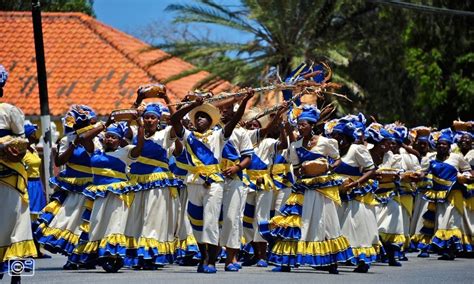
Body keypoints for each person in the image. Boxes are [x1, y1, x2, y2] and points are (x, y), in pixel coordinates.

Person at [260, 105, 352, 274]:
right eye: (299, 125)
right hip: (303, 188)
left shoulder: (326, 143)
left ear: (312, 125)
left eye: (303, 125)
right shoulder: (295, 146)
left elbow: (337, 160)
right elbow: (295, 168)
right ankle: (286, 262)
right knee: (295, 222)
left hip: (323, 188)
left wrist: (327, 168)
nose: (300, 128)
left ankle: (331, 261)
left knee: (324, 222)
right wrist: (302, 171)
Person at [169, 93, 252, 273]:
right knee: (195, 220)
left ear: (211, 122)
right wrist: (193, 105)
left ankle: (211, 260)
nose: (199, 119)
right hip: (194, 181)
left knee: (211, 221)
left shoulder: (218, 136)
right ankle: (203, 255)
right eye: (197, 116)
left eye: (204, 117)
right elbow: (174, 118)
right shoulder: (188, 136)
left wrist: (244, 101)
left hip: (214, 182)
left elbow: (234, 119)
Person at [72, 118, 144, 272]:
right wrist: (103, 125)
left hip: (116, 194)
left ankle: (114, 253)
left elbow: (139, 147)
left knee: (114, 222)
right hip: (99, 192)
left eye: (114, 137)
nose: (110, 139)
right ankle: (100, 252)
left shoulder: (125, 152)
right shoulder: (96, 150)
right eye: (108, 136)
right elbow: (83, 138)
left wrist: (141, 126)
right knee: (98, 223)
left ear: (119, 140)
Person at [35, 105, 100, 270]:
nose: (94, 123)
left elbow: (97, 154)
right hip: (72, 187)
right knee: (70, 222)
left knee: (89, 223)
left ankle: (87, 256)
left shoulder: (98, 137)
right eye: (90, 121)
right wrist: (73, 145)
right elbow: (59, 162)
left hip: (91, 185)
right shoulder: (66, 139)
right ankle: (75, 255)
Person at [0, 65, 37, 284]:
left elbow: (22, 142)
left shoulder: (9, 110)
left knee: (15, 223)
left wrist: (11, 150)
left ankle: (16, 274)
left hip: (11, 176)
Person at [241, 104, 288, 268]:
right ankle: (255, 253)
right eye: (250, 125)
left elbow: (284, 145)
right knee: (245, 220)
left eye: (256, 125)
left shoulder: (268, 142)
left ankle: (262, 255)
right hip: (246, 183)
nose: (253, 128)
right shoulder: (243, 141)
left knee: (261, 218)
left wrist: (281, 126)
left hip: (264, 183)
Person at [332, 114, 379, 273]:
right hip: (338, 195)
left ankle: (363, 259)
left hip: (355, 196)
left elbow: (371, 169)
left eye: (338, 135)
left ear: (345, 137)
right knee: (338, 227)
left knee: (356, 228)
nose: (335, 138)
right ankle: (337, 258)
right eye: (334, 135)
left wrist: (356, 183)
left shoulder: (356, 149)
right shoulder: (335, 152)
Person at [422, 129, 473, 260]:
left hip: (455, 194)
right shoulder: (431, 158)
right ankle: (444, 248)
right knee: (441, 222)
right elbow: (423, 173)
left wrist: (465, 177)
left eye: (444, 144)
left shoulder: (456, 158)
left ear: (449, 146)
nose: (441, 146)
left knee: (452, 222)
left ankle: (451, 250)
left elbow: (469, 171)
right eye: (439, 144)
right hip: (439, 196)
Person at [217, 102, 253, 272]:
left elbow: (248, 157)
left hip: (235, 178)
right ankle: (210, 257)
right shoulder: (212, 131)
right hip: (213, 178)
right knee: (213, 218)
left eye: (228, 109)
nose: (224, 112)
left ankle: (231, 258)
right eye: (221, 109)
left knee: (232, 218)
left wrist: (237, 167)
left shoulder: (241, 133)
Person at [22, 123, 48, 258]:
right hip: (28, 184)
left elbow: (38, 171)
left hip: (37, 184)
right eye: (33, 133)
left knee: (38, 219)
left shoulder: (33, 149)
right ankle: (29, 250)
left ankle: (38, 249)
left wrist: (42, 188)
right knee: (30, 219)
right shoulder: (23, 152)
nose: (35, 135)